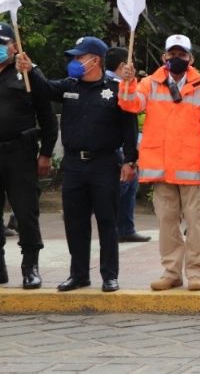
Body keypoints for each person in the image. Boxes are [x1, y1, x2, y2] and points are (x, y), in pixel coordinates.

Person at [18, 38, 138, 292]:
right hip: (74, 165)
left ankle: (109, 275)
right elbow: (46, 88)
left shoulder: (116, 88)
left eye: (78, 57)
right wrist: (31, 68)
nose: (74, 62)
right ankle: (79, 274)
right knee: (75, 222)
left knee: (107, 222)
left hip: (105, 163)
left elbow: (129, 125)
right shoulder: (69, 86)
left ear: (95, 59)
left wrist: (130, 160)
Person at [117, 34, 200, 292]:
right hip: (162, 168)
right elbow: (130, 105)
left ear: (191, 58)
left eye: (181, 54)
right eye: (172, 54)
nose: (176, 58)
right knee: (167, 223)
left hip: (194, 168)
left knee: (196, 224)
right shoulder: (149, 83)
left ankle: (196, 273)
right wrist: (127, 82)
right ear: (164, 56)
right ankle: (171, 272)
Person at [0, 23, 57, 289]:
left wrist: (46, 153)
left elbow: (47, 114)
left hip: (20, 153)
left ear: (14, 46)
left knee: (25, 212)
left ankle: (30, 267)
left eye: (3, 43)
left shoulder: (26, 73)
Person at [105, 47, 150, 243]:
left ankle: (125, 228)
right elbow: (130, 119)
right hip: (117, 146)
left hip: (120, 145)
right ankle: (115, 227)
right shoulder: (117, 86)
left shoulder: (109, 84)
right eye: (130, 63)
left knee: (129, 186)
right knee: (120, 186)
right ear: (123, 66)